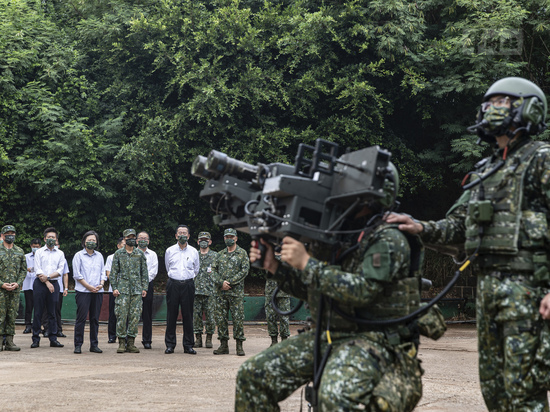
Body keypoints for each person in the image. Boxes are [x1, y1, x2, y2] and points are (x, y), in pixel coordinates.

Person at [386, 77, 550, 411]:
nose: (491, 110)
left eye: (501, 102)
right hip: (488, 289)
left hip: (530, 291)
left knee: (525, 391)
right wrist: (418, 227)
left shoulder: (541, 159)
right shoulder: (487, 169)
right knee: (495, 390)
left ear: (528, 109)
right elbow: (460, 226)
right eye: (488, 104)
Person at [235, 163, 427, 411]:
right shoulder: (336, 236)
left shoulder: (388, 238)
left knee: (334, 396)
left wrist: (307, 263)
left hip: (374, 339)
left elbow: (363, 291)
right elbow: (315, 291)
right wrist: (276, 268)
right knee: (252, 375)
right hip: (328, 334)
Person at [110, 229, 148, 354]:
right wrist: (114, 287)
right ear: (124, 239)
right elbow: (114, 272)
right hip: (122, 290)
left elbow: (144, 273)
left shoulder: (140, 254)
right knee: (121, 315)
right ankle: (121, 342)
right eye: (129, 237)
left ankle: (131, 342)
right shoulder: (118, 254)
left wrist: (144, 288)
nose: (131, 239)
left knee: (134, 317)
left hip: (136, 290)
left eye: (133, 237)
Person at [212, 228, 249, 356]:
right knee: (221, 319)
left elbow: (244, 271)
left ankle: (239, 345)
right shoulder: (220, 254)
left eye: (231, 237)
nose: (229, 239)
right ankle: (223, 345)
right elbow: (212, 270)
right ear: (224, 238)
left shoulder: (242, 253)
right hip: (220, 293)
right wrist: (221, 283)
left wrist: (229, 282)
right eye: (227, 236)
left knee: (238, 319)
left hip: (236, 293)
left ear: (236, 238)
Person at [164, 225, 200, 354]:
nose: (182, 235)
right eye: (180, 233)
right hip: (173, 284)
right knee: (171, 315)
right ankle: (170, 344)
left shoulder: (194, 251)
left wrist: (186, 279)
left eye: (185, 233)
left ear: (189, 236)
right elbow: (168, 267)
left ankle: (188, 345)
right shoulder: (169, 250)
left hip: (188, 285)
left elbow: (196, 269)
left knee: (188, 315)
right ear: (176, 236)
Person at [72, 230, 106, 354]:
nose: (91, 242)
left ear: (96, 242)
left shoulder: (100, 256)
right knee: (81, 318)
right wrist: (89, 287)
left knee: (95, 319)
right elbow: (77, 274)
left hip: (98, 291)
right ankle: (78, 344)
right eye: (89, 240)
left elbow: (103, 272)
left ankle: (94, 344)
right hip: (83, 291)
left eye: (93, 240)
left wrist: (101, 284)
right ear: (84, 241)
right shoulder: (78, 256)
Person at [31, 227, 65, 348]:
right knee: (38, 312)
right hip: (40, 284)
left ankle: (53, 338)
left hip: (54, 283)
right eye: (49, 237)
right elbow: (38, 269)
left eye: (53, 237)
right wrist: (47, 282)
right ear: (45, 238)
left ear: (56, 240)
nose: (51, 239)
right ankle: (35, 339)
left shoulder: (60, 253)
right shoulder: (39, 252)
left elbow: (60, 270)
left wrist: (49, 278)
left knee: (52, 312)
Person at [0, 225, 27, 351]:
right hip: (1, 289)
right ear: (3, 235)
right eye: (8, 233)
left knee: (12, 315)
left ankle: (10, 342)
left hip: (15, 290)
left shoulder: (20, 251)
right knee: (1, 315)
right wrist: (1, 284)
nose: (10, 235)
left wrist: (18, 283)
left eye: (12, 233)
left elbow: (23, 270)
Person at [193, 231, 218, 349]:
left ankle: (209, 338)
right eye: (201, 240)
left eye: (206, 240)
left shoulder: (215, 256)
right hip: (195, 291)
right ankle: (197, 338)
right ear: (198, 242)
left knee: (210, 317)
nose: (204, 242)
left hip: (211, 292)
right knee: (196, 316)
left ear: (210, 242)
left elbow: (219, 273)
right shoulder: (193, 254)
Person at [137, 231, 158, 350]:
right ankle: (128, 339)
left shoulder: (153, 255)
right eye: (140, 238)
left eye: (145, 238)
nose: (142, 240)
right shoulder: (131, 253)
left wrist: (144, 285)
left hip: (148, 285)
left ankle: (147, 340)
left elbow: (153, 272)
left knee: (147, 314)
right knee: (131, 313)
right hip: (132, 286)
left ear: (148, 241)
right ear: (136, 240)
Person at [104, 237, 125, 343]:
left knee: (126, 314)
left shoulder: (132, 257)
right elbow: (108, 273)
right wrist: (115, 285)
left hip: (127, 290)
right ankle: (112, 336)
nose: (125, 246)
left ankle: (124, 336)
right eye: (123, 244)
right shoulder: (111, 257)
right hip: (114, 289)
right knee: (113, 313)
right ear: (118, 246)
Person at [264, 277, 290, 347]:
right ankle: (274, 340)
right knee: (270, 316)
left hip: (284, 291)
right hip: (270, 291)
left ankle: (284, 340)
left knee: (284, 317)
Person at [23, 238, 41, 334]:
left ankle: (37, 326)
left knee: (39, 307)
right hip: (28, 285)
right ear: (31, 246)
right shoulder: (26, 257)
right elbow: (21, 268)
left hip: (39, 284)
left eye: (37, 247)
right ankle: (28, 325)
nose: (35, 248)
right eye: (34, 247)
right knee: (29, 307)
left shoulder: (42, 256)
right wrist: (27, 269)